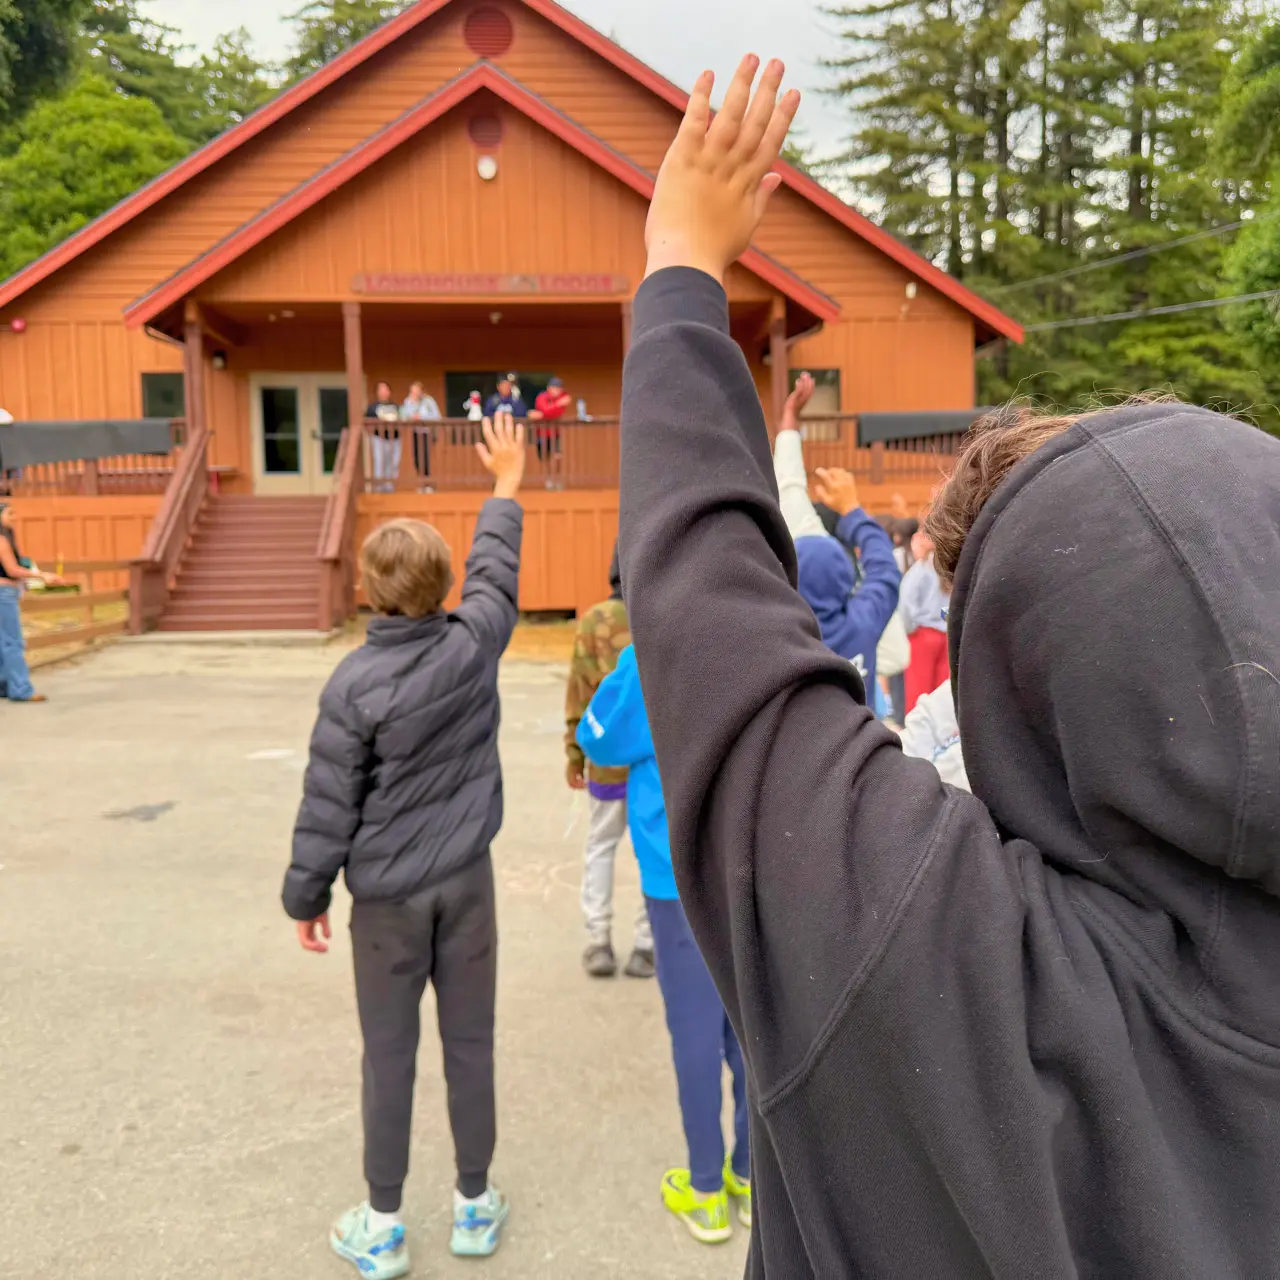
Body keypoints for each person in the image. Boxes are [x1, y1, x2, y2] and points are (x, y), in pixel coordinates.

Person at [620, 53, 1280, 1277]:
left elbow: (702, 618)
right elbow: (764, 609)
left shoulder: (937, 956)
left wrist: (678, 273)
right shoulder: (869, 608)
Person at [282, 418, 526, 1280]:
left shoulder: (352, 684)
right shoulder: (475, 641)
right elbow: (497, 569)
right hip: (468, 881)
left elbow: (327, 805)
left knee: (389, 1057)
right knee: (471, 1044)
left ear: (370, 591)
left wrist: (306, 897)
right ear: (444, 586)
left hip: (384, 899)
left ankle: (382, 1225)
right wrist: (504, 481)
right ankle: (472, 1205)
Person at [577, 644, 751, 1246]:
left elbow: (597, 737)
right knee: (748, 1029)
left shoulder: (648, 654)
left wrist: (613, 682)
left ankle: (705, 1189)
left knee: (695, 1033)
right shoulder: (748, 635)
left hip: (676, 881)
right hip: (749, 872)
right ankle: (753, 1180)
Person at [564, 547, 654, 978]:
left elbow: (579, 693)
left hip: (604, 763)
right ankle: (646, 943)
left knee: (600, 846)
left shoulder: (593, 621)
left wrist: (573, 753)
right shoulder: (661, 617)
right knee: (651, 852)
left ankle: (598, 940)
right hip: (654, 767)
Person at [0, 501, 61, 703]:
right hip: (4, 593)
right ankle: (21, 689)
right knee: (13, 642)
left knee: (3, 642)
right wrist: (41, 575)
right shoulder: (1, 540)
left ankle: (5, 685)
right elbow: (13, 570)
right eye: (10, 514)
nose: (14, 517)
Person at [898, 526, 950, 715]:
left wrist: (909, 629)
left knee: (918, 693)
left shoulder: (921, 569)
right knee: (941, 694)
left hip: (922, 635)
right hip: (944, 635)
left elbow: (906, 604)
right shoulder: (948, 569)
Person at [400, 381, 440, 489]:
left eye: (416, 391)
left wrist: (422, 417)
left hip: (427, 432)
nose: (415, 393)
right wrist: (410, 404)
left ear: (421, 391)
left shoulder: (428, 401)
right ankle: (422, 482)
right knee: (417, 458)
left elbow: (436, 416)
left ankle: (428, 483)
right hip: (415, 432)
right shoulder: (408, 402)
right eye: (412, 391)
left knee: (425, 457)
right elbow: (403, 415)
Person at [533, 376, 571, 484]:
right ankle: (548, 478)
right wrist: (557, 405)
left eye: (559, 388)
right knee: (545, 457)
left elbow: (554, 413)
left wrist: (544, 414)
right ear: (548, 388)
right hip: (542, 433)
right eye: (554, 388)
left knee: (558, 456)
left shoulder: (565, 396)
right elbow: (546, 411)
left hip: (555, 432)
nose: (557, 390)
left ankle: (557, 478)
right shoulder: (542, 397)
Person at [366, 382, 402, 492]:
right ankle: (378, 488)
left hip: (395, 439)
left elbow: (402, 419)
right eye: (381, 390)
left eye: (385, 389)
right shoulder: (372, 408)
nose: (383, 392)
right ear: (377, 392)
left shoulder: (395, 407)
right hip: (379, 438)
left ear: (389, 392)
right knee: (379, 461)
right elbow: (367, 421)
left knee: (393, 463)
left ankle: (389, 487)